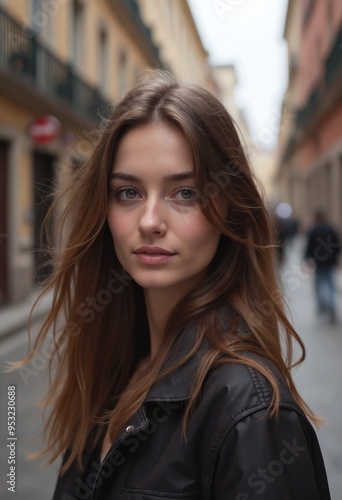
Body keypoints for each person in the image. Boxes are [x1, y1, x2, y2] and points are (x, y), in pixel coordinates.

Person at [21, 71, 330, 499]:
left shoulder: (251, 413)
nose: (149, 221)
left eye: (185, 193)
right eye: (128, 192)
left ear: (230, 209)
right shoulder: (113, 363)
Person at [305, 210, 340, 323]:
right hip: (330, 262)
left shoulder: (314, 230)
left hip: (319, 262)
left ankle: (322, 308)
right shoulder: (331, 229)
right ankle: (331, 306)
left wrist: (307, 260)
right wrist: (337, 259)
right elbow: (337, 245)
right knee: (330, 285)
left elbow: (309, 246)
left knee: (319, 286)